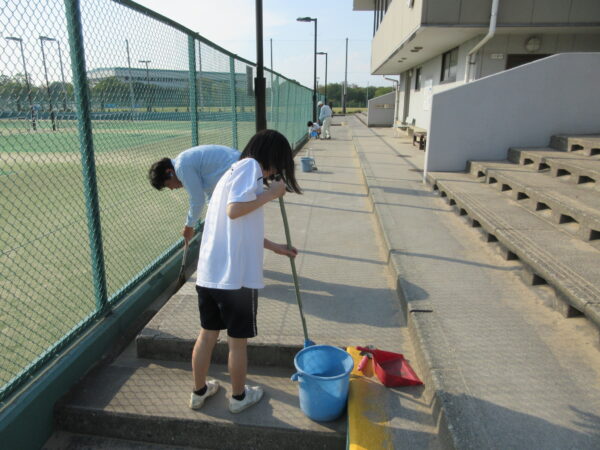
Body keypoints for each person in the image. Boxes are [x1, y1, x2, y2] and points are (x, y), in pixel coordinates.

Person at [189, 129, 302, 413]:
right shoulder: (249, 167)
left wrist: (275, 247)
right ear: (271, 158)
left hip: (210, 276)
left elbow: (238, 226)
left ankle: (199, 392)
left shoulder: (230, 174)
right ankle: (239, 398)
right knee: (237, 343)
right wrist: (272, 195)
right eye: (278, 165)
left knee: (207, 334)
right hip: (235, 280)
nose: (275, 172)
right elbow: (235, 210)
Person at [148, 145, 240, 244]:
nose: (171, 189)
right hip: (237, 169)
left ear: (169, 172)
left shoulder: (181, 168)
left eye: (168, 184)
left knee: (234, 220)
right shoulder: (183, 163)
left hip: (237, 171)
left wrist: (189, 226)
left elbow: (198, 200)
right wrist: (212, 214)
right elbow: (210, 192)